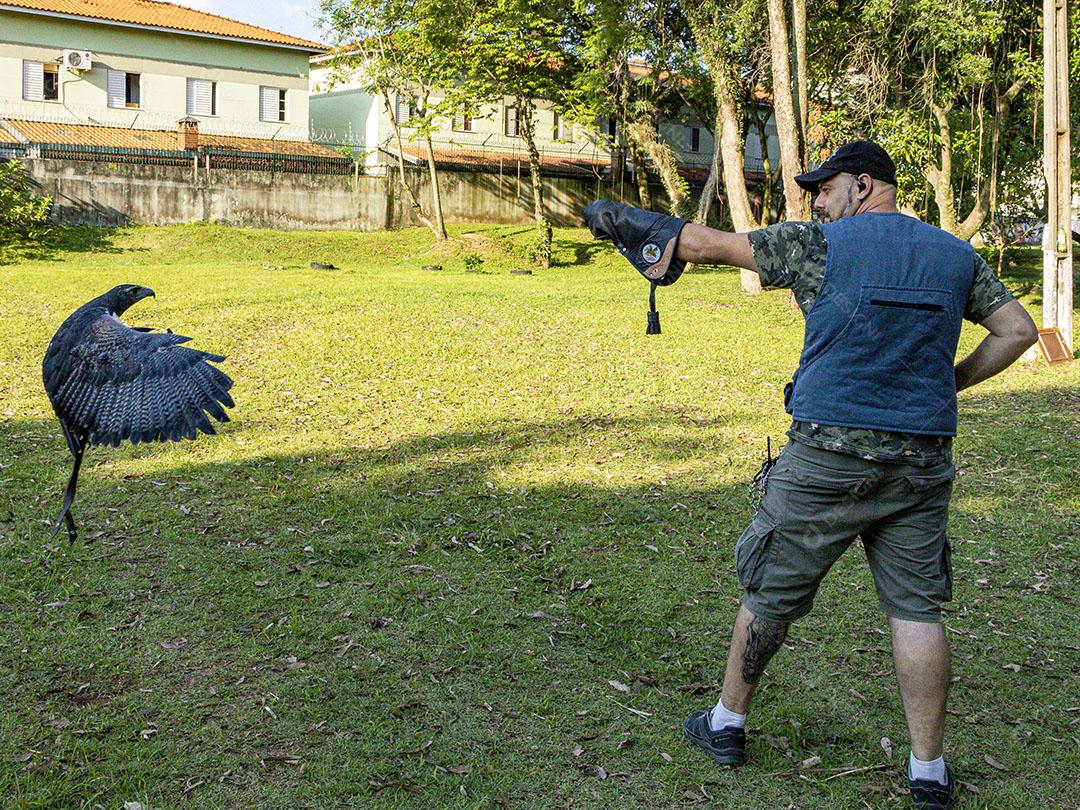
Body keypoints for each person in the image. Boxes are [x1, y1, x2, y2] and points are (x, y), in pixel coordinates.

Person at [583, 141, 1038, 810]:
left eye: (824, 189)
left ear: (862, 184)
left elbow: (708, 247)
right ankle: (928, 772)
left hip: (827, 458)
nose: (816, 203)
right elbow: (1018, 331)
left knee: (768, 590)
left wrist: (632, 221)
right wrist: (950, 382)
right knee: (916, 610)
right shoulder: (954, 256)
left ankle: (726, 725)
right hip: (921, 461)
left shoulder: (820, 244)